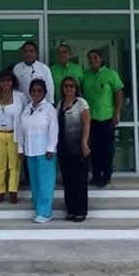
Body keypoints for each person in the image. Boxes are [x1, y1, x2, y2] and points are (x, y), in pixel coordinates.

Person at [82, 49, 125, 187]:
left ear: (101, 59)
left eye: (95, 57)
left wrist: (117, 112)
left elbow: (119, 93)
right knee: (93, 149)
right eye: (90, 58)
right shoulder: (85, 75)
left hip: (106, 119)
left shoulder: (111, 74)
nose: (92, 60)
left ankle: (106, 176)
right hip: (90, 120)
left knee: (106, 149)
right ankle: (96, 175)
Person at [18, 78, 58, 223]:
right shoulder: (26, 108)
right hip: (30, 151)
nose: (36, 93)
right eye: (33, 90)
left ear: (45, 92)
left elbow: (54, 129)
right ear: (30, 92)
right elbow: (20, 129)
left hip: (45, 151)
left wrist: (51, 148)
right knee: (35, 183)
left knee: (45, 183)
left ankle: (45, 213)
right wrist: (20, 148)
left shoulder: (49, 109)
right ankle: (38, 209)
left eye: (39, 90)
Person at [57, 76, 91, 222]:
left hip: (79, 148)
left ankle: (80, 211)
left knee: (80, 181)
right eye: (66, 86)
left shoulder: (81, 103)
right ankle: (70, 210)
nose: (69, 89)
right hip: (64, 149)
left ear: (76, 88)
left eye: (71, 86)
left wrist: (84, 142)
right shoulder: (60, 103)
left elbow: (87, 123)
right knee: (68, 181)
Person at [0, 68, 27, 203]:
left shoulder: (20, 96)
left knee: (14, 165)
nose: (5, 83)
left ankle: (13, 191)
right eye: (2, 81)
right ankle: (0, 191)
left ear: (13, 82)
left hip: (14, 135)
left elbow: (25, 116)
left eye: (8, 80)